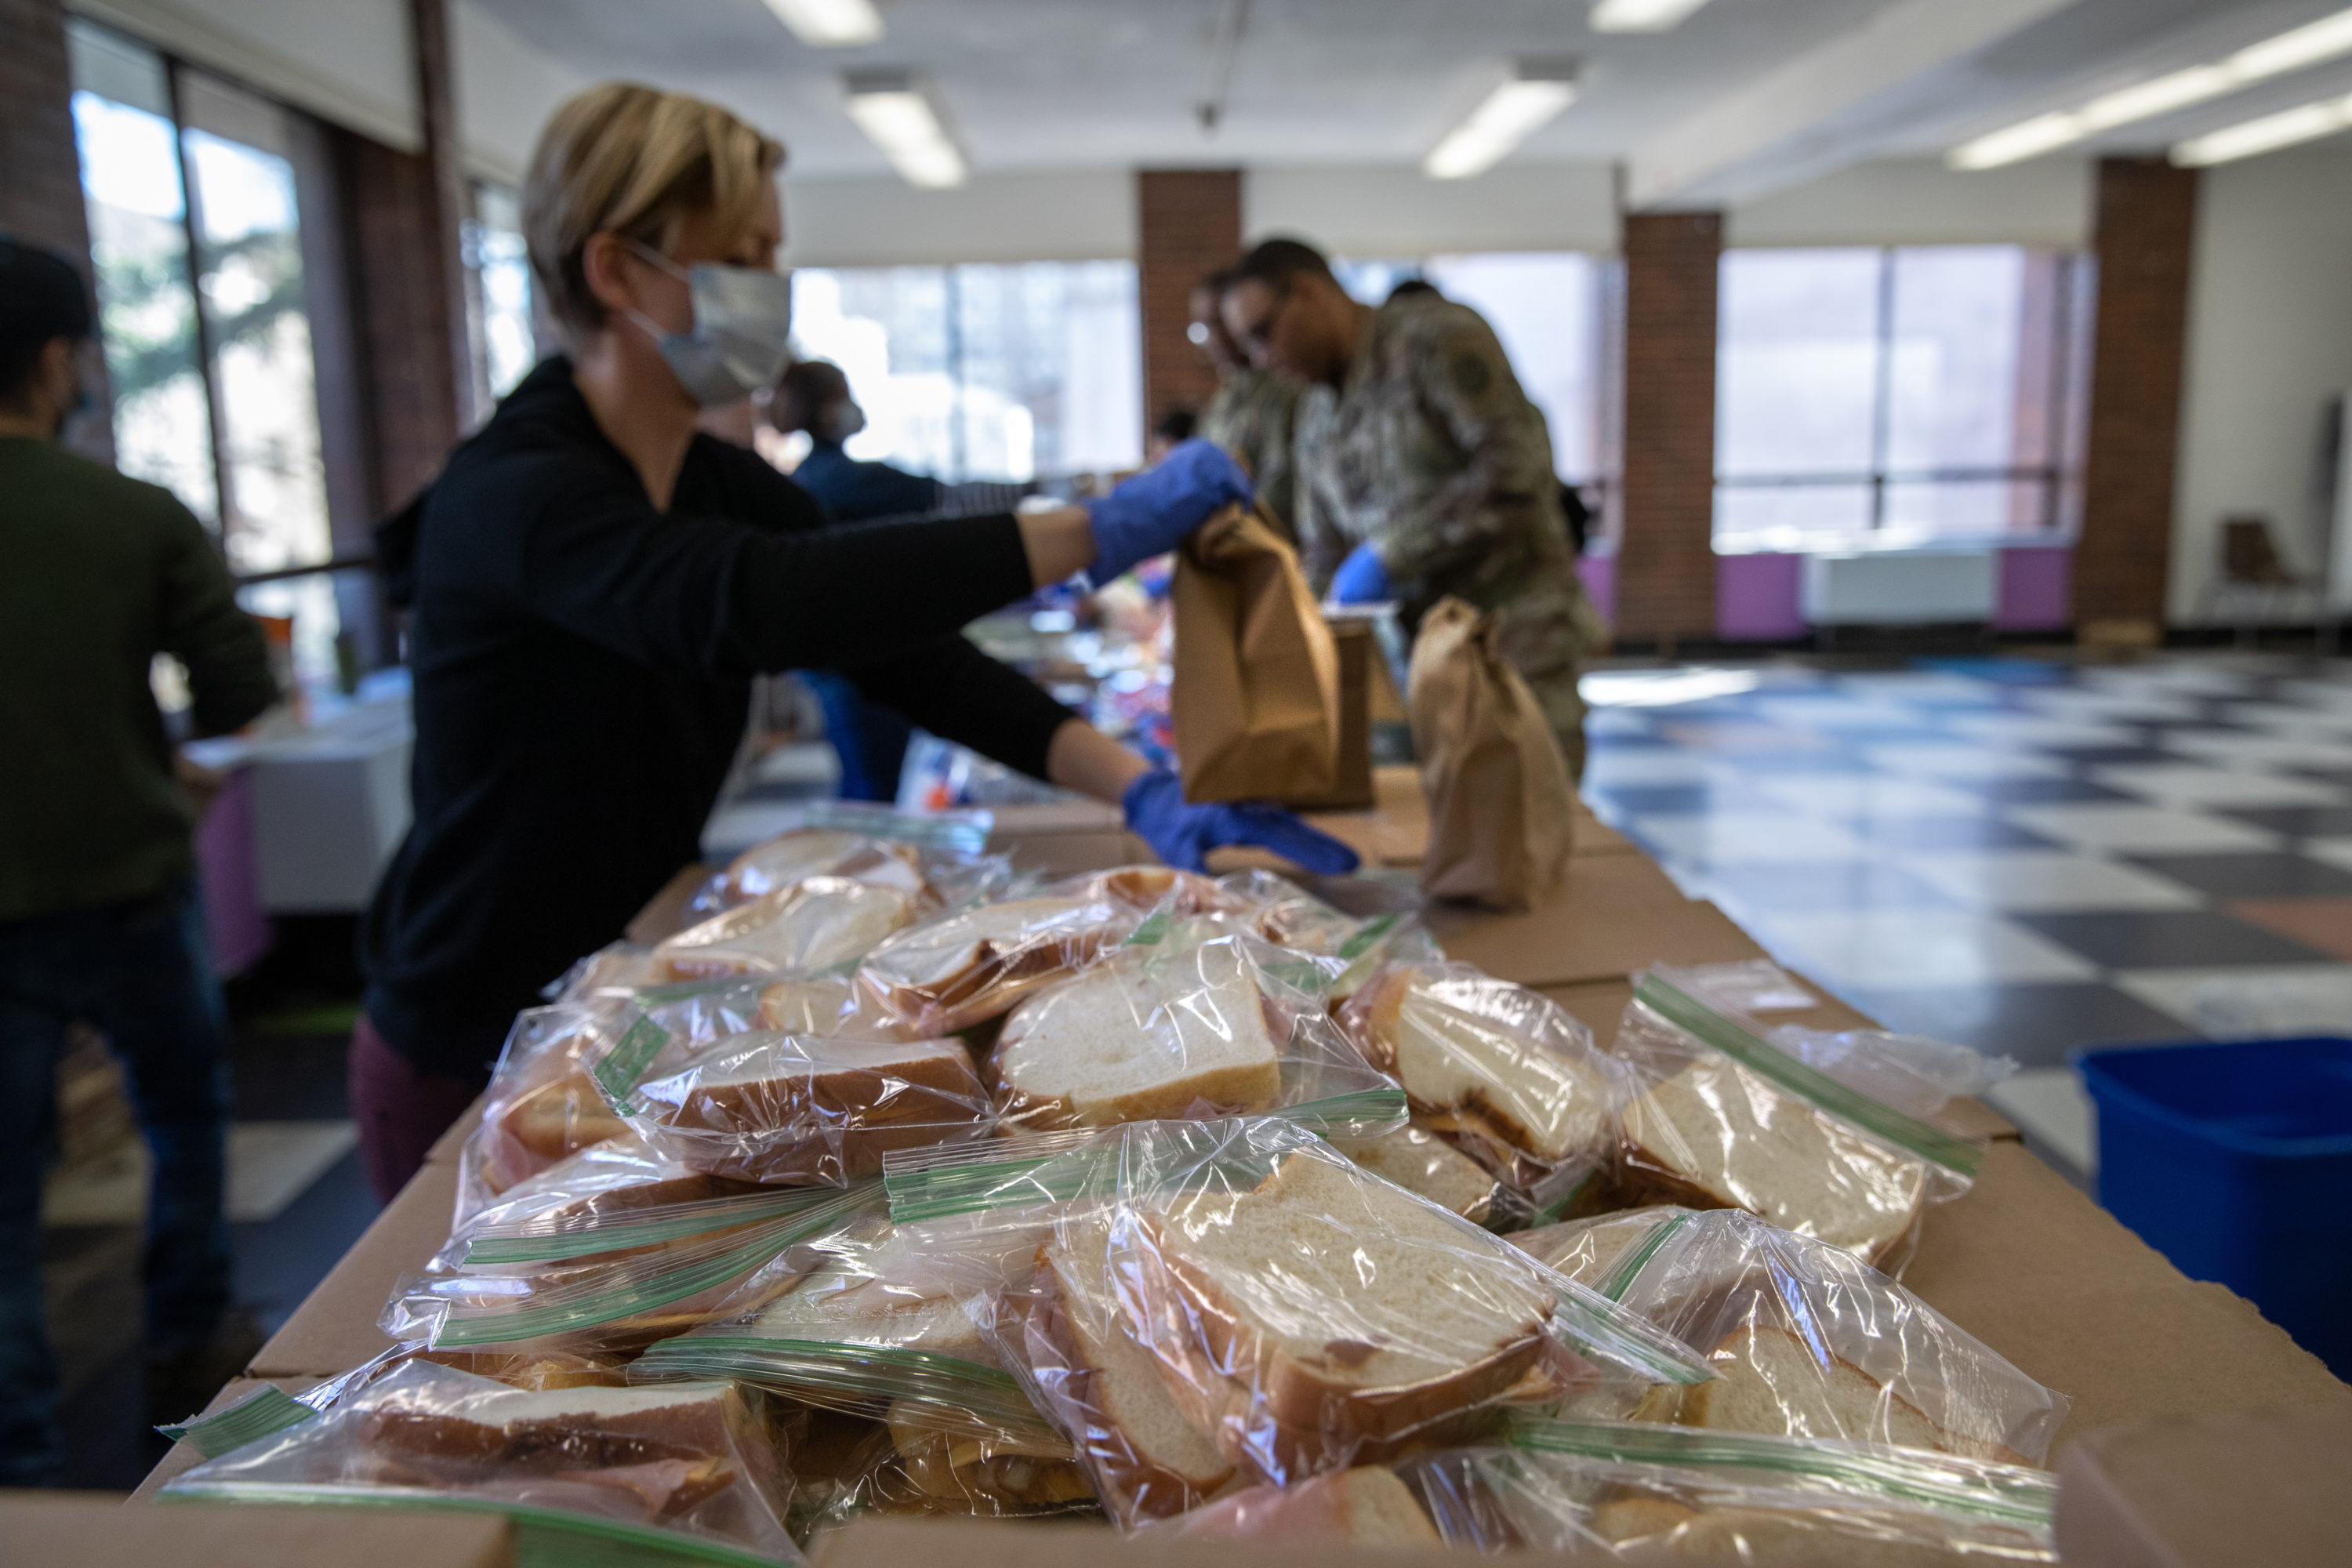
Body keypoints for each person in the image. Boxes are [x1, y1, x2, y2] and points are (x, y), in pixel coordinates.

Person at [353, 83, 1356, 1199]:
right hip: (469, 1031)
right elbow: (749, 601)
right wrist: (1094, 530)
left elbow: (899, 647)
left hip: (624, 1013)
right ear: (618, 269)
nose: (768, 291)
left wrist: (1138, 787)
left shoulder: (711, 479)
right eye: (741, 254)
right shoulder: (518, 492)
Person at [0, 238, 278, 1481]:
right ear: (58, 360)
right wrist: (164, 756)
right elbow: (236, 684)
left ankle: (21, 1453)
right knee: (180, 1111)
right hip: (124, 875)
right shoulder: (132, 515)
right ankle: (186, 1341)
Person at [1222, 238, 1603, 775]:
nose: (1263, 360)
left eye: (1263, 334)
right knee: (1449, 829)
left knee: (1535, 821)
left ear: (1309, 293)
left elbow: (1516, 476)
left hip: (1514, 641)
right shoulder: (1314, 415)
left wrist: (1392, 556)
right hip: (1422, 659)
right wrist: (1292, 637)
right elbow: (1324, 553)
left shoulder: (1436, 341)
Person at [763, 358, 941, 800]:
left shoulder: (812, 475)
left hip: (836, 658)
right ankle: (870, 869)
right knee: (872, 788)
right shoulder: (838, 479)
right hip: (855, 661)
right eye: (844, 396)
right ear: (826, 410)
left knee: (865, 778)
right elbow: (933, 496)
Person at [1190, 268, 1301, 544]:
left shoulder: (1285, 389)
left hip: (1273, 549)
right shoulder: (1225, 397)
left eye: (1218, 322)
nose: (1212, 336)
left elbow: (1279, 493)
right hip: (1230, 546)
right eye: (1203, 327)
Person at [768, 358, 940, 522]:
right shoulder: (843, 478)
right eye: (844, 396)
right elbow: (941, 498)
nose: (854, 405)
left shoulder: (808, 473)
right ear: (824, 412)